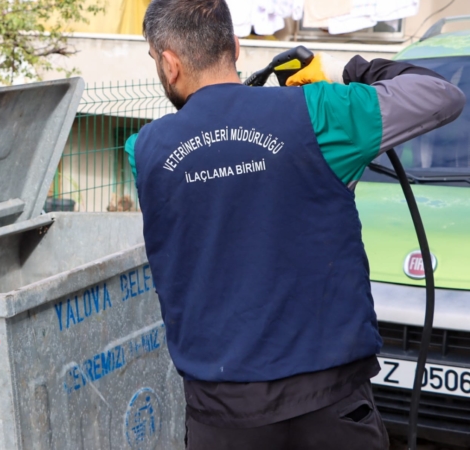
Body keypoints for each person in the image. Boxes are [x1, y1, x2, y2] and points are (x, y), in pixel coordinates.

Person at [124, 1, 466, 449]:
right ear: (235, 45)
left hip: (222, 416)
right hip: (331, 406)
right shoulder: (319, 112)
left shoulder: (142, 151)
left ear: (169, 64)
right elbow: (442, 95)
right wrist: (359, 71)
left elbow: (222, 172)